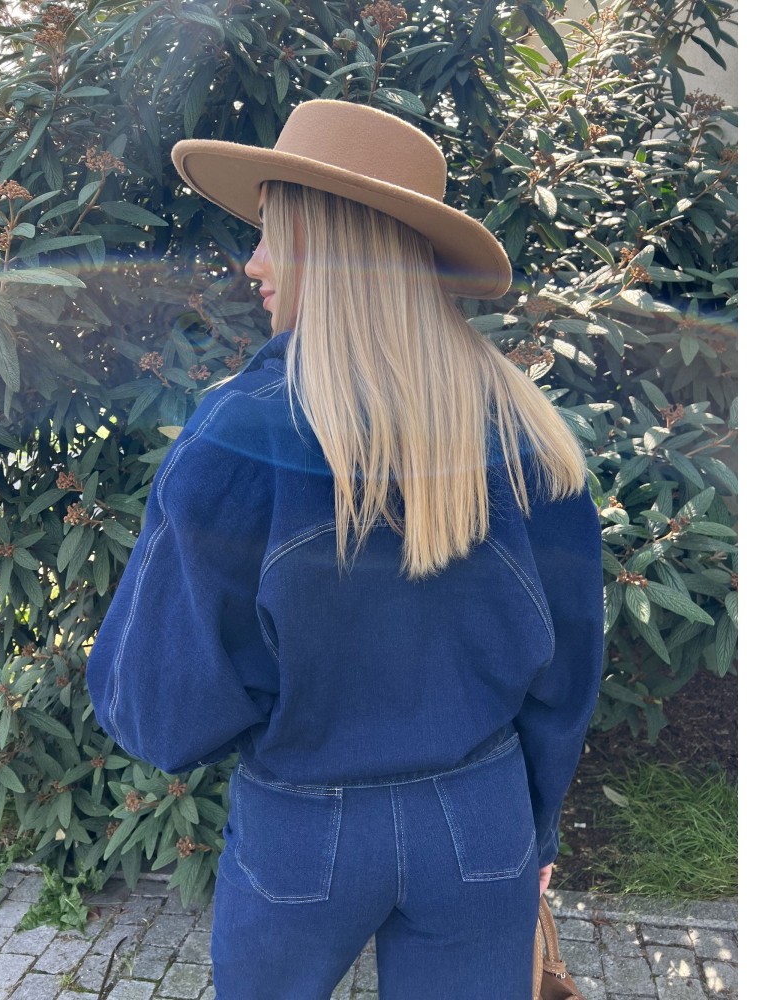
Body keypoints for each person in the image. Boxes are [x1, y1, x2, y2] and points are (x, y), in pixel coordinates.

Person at [87, 100, 604, 1000]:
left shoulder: (239, 434)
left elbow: (157, 710)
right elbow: (570, 665)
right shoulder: (525, 427)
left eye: (273, 234)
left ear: (326, 248)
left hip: (303, 825)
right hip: (479, 818)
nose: (253, 263)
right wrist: (538, 827)